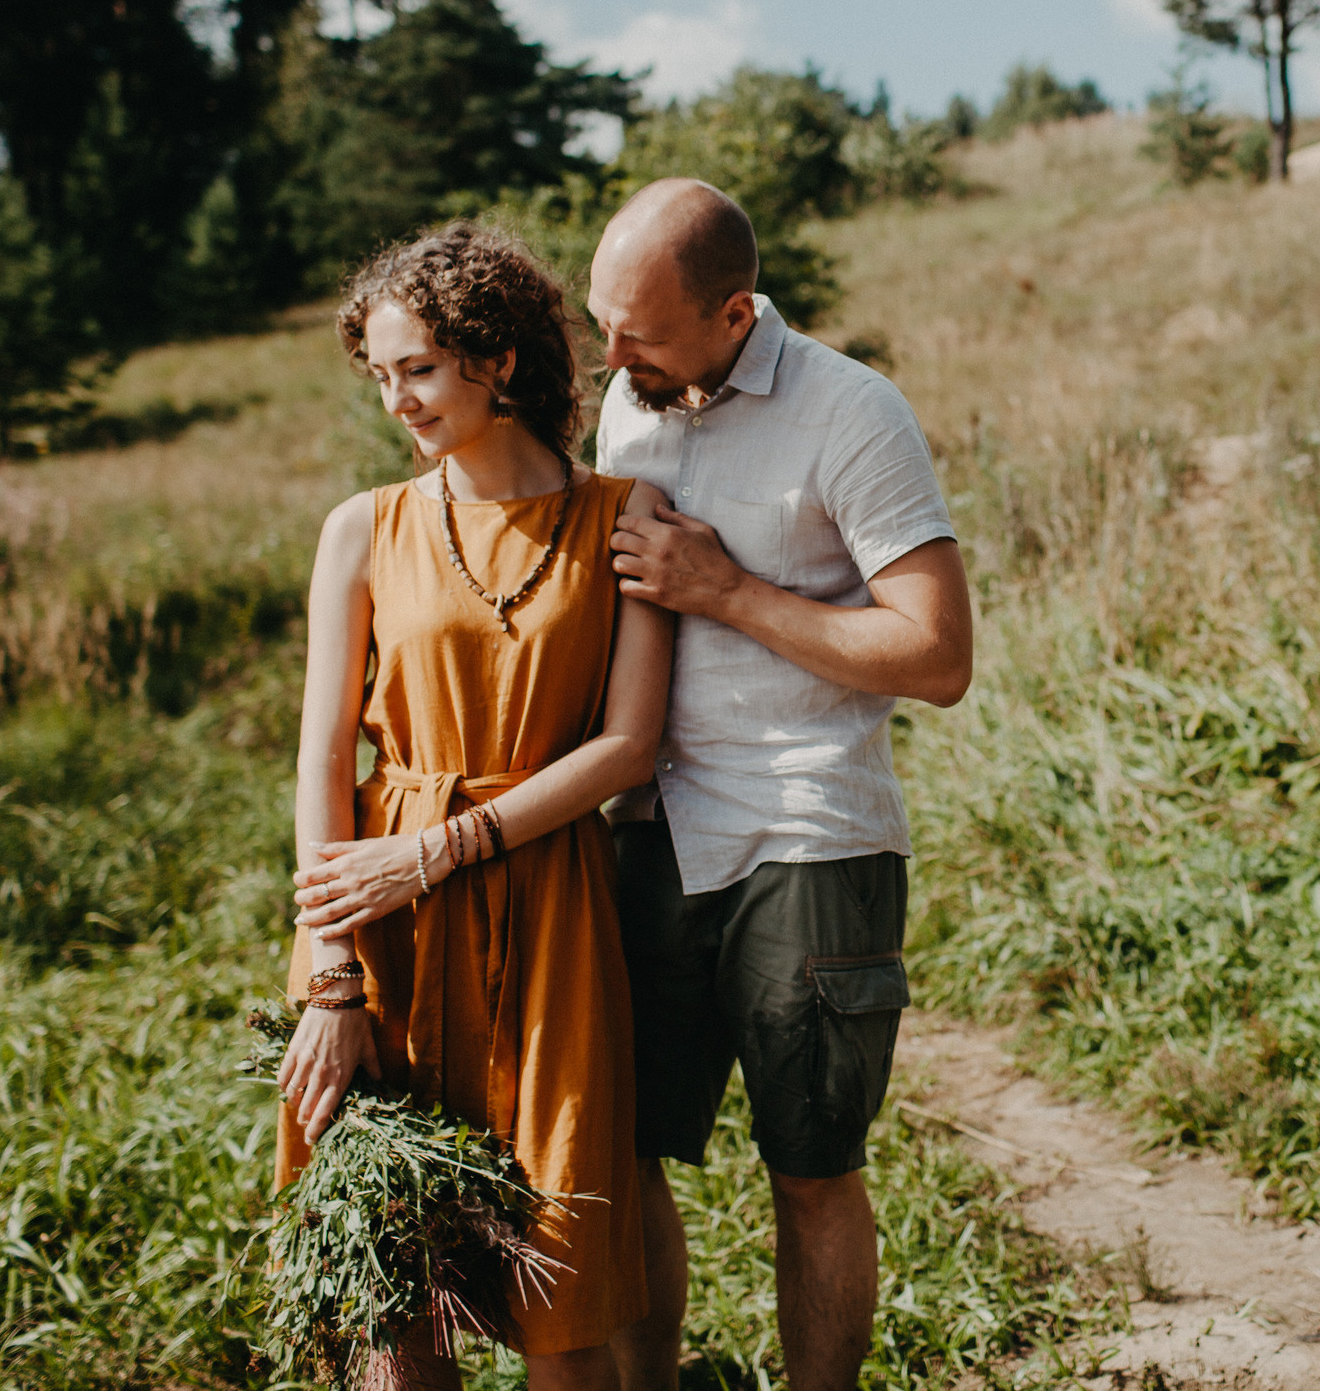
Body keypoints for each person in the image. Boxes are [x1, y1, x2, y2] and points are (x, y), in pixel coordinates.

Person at [587, 179, 974, 1391]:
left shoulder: (852, 413)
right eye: (603, 323)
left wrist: (730, 593)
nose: (611, 355)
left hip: (810, 837)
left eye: (638, 331)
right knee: (629, 1146)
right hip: (649, 832)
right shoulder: (626, 402)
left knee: (809, 1165)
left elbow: (937, 654)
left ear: (735, 312)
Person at [275, 221, 674, 1391]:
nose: (397, 400)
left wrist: (445, 849)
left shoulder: (623, 517)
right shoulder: (363, 528)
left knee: (561, 1294)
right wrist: (333, 978)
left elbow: (628, 746)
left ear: (498, 360)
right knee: (393, 1299)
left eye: (420, 369)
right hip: (375, 917)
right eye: (382, 374)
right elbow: (319, 764)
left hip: (552, 911)